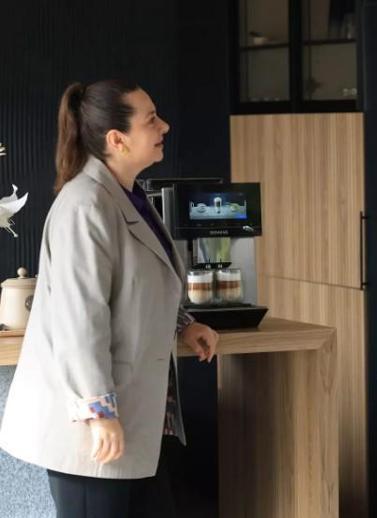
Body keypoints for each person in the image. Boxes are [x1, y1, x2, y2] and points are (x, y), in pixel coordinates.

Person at [0, 79, 220, 517]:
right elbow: (79, 321)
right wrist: (99, 412)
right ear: (117, 140)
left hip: (136, 418)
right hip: (93, 425)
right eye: (151, 119)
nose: (165, 126)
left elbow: (140, 283)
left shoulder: (129, 196)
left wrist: (184, 324)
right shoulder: (86, 205)